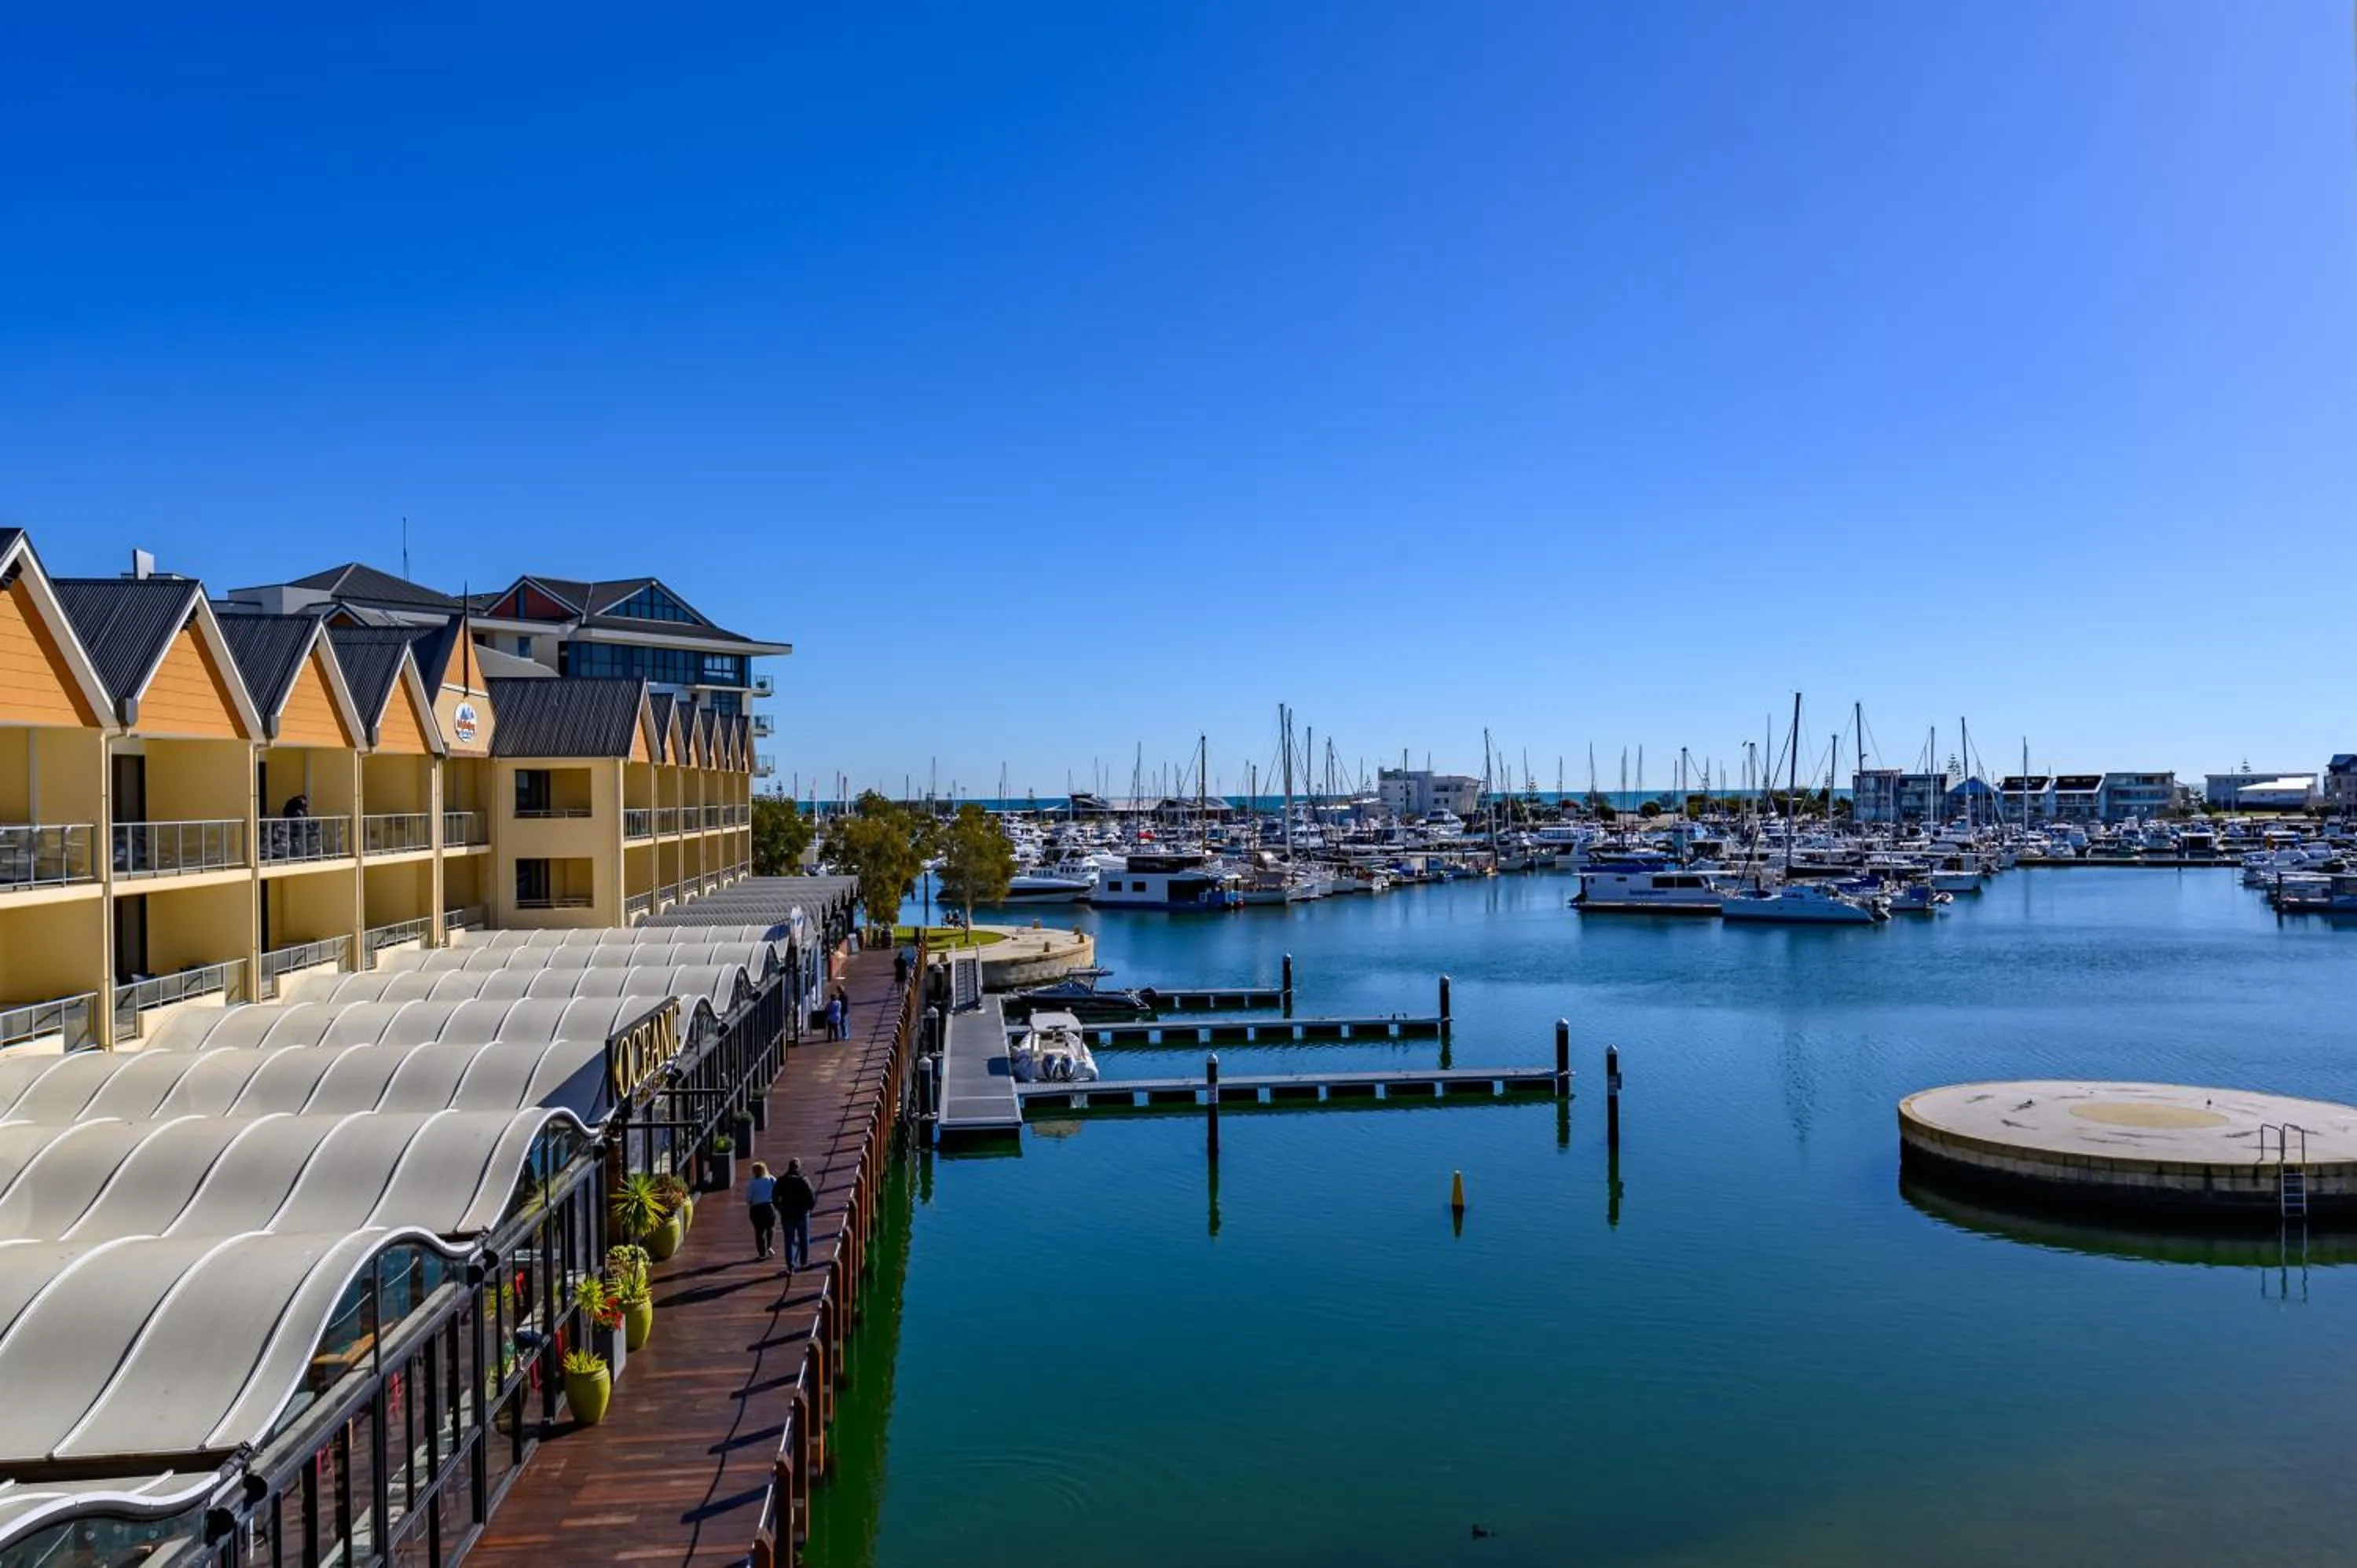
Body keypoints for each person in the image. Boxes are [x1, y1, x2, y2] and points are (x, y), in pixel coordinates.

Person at [775, 1157, 817, 1269]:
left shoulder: (781, 1180)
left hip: (787, 1215)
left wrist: (780, 1208)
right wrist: (809, 1208)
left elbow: (774, 1197)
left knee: (789, 1241)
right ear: (798, 1168)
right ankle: (803, 1262)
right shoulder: (804, 1180)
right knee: (804, 1239)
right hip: (802, 1214)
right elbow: (812, 1196)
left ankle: (790, 1266)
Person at [745, 1161, 778, 1258]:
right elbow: (778, 1189)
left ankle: (761, 1253)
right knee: (770, 1228)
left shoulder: (752, 1183)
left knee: (759, 1232)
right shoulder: (771, 1179)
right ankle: (770, 1247)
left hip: (756, 1209)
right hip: (769, 1207)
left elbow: (748, 1198)